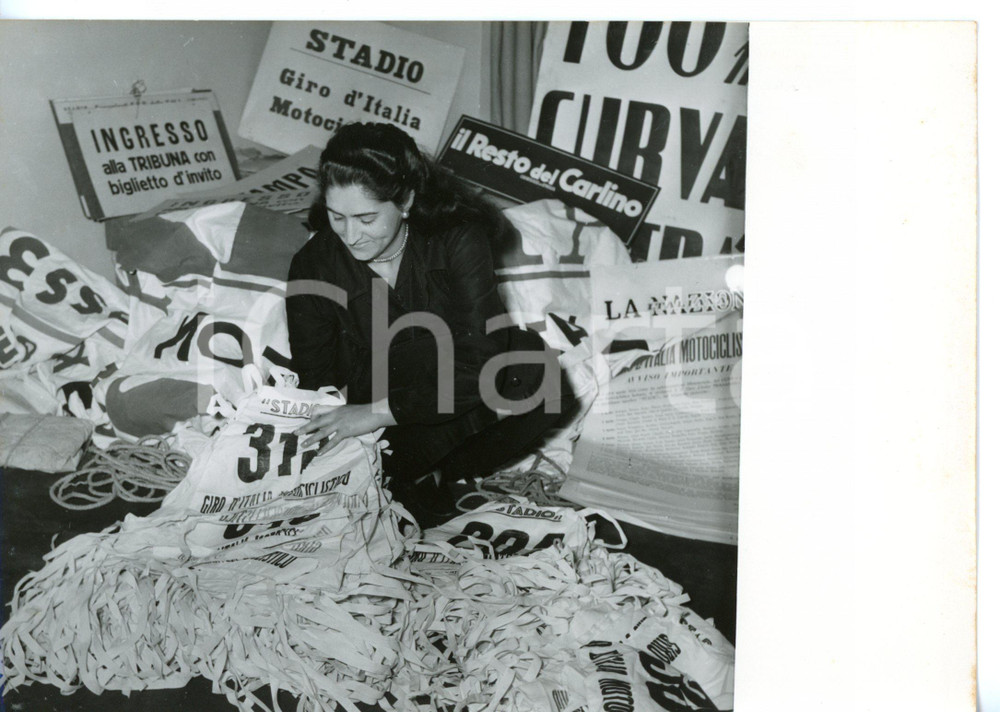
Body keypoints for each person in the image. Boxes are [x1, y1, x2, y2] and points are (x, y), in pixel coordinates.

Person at [286, 122, 576, 527]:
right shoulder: (312, 265)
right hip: (377, 403)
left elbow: (482, 354)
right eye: (337, 218)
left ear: (405, 200)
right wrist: (356, 420)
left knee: (539, 374)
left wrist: (380, 413)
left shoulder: (458, 236)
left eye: (366, 218)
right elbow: (317, 380)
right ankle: (405, 477)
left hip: (437, 390)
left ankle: (440, 474)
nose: (351, 236)